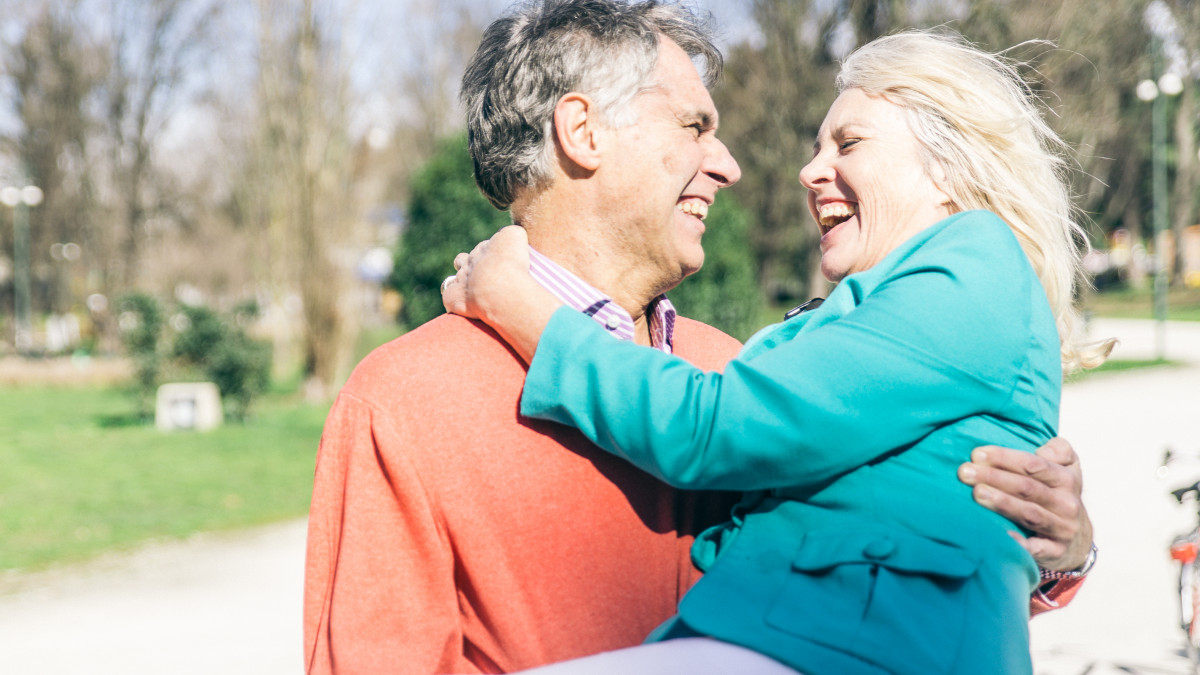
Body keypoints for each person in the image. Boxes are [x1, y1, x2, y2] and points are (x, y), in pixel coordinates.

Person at [304, 2, 1093, 673]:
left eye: (846, 145)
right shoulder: (406, 398)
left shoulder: (725, 368)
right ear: (582, 130)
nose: (734, 164)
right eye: (694, 125)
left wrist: (1057, 550)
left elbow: (884, 564)